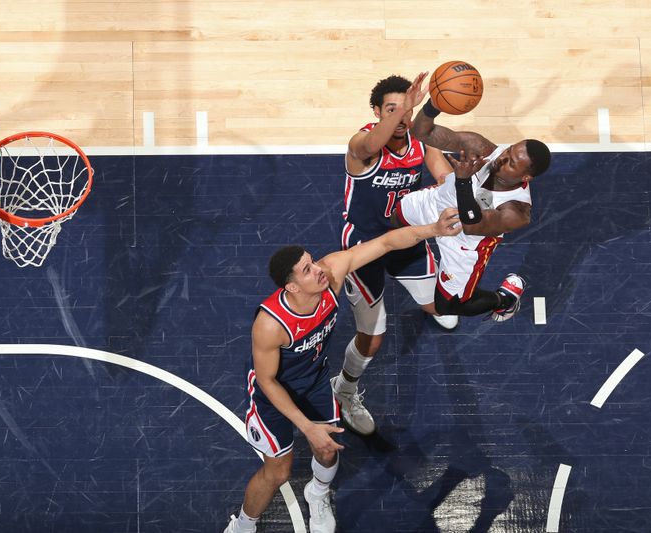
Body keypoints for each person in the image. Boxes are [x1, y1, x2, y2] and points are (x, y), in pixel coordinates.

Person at [224, 208, 461, 533]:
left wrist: (434, 228)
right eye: (307, 270)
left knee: (327, 449)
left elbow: (387, 243)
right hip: (274, 395)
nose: (319, 269)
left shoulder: (332, 273)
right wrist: (307, 426)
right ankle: (244, 525)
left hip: (317, 381)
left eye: (313, 260)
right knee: (278, 473)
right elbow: (266, 380)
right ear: (291, 287)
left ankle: (317, 493)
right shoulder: (270, 325)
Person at [331, 74, 459, 437]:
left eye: (406, 109)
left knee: (441, 304)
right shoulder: (361, 144)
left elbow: (443, 175)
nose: (403, 117)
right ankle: (344, 390)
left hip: (406, 237)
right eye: (392, 109)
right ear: (377, 111)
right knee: (372, 339)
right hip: (364, 246)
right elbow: (371, 142)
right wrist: (405, 110)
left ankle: (429, 305)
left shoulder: (421, 141)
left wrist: (457, 189)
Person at [391, 71, 552, 320]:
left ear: (525, 177)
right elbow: (421, 133)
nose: (502, 159)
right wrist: (435, 103)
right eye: (508, 151)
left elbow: (472, 225)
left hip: (465, 243)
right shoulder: (483, 148)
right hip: (438, 203)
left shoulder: (516, 211)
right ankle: (412, 259)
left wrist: (464, 179)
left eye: (512, 163)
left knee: (448, 307)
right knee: (393, 219)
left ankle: (504, 300)